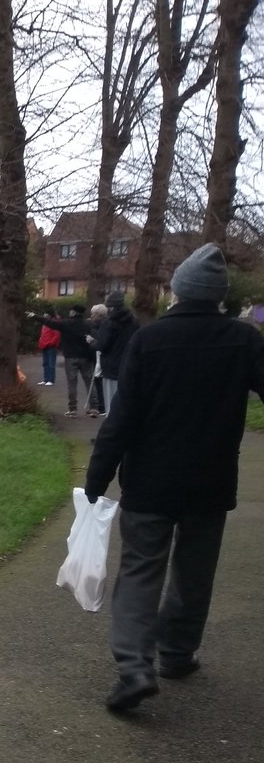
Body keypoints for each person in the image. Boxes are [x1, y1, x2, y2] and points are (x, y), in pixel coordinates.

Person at [86, 243, 264, 712]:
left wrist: (97, 477)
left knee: (140, 570)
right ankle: (178, 654)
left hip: (150, 480)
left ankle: (134, 667)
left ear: (179, 291)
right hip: (211, 481)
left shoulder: (149, 341)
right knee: (195, 572)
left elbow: (122, 418)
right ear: (218, 295)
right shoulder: (245, 340)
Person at [36, 304, 98, 417]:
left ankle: (72, 409)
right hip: (86, 357)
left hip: (70, 357)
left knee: (72, 383)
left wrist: (35, 316)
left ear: (73, 312)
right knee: (89, 382)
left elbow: (50, 323)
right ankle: (94, 407)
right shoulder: (88, 324)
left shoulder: (66, 323)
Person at [93, 290, 139, 414]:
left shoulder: (108, 323)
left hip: (111, 366)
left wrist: (93, 343)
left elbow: (102, 345)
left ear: (111, 307)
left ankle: (110, 423)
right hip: (128, 364)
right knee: (125, 401)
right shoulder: (134, 321)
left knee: (111, 402)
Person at [87, 304, 109, 414]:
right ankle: (101, 405)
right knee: (98, 381)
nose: (91, 316)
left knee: (100, 381)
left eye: (93, 314)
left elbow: (101, 343)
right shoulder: (96, 325)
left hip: (102, 358)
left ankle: (103, 406)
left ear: (99, 315)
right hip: (96, 357)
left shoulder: (104, 326)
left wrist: (91, 341)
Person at [36, 310, 61, 385]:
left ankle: (51, 380)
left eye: (46, 313)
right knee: (45, 363)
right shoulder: (44, 324)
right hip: (44, 345)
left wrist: (51, 343)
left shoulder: (54, 323)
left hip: (51, 346)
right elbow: (43, 335)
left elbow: (57, 335)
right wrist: (41, 343)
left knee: (51, 363)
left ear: (49, 315)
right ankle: (46, 379)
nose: (44, 315)